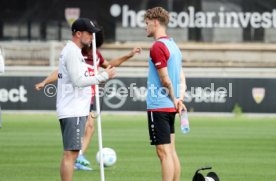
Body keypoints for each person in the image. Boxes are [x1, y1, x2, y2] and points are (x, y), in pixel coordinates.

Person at [35, 22, 141, 171]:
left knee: (90, 127)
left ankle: (79, 155)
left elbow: (110, 65)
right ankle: (76, 156)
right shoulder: (77, 53)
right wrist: (45, 82)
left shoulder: (96, 55)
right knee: (85, 128)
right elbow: (60, 72)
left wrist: (128, 55)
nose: (91, 42)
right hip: (77, 98)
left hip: (89, 96)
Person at [55, 17, 116, 181]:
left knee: (71, 153)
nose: (92, 37)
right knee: (71, 154)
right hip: (72, 109)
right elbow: (78, 81)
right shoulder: (72, 51)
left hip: (74, 108)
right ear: (78, 33)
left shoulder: (73, 51)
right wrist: (103, 76)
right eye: (89, 33)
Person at [144, 7, 187, 181]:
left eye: (147, 24)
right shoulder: (174, 45)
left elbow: (165, 80)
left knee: (163, 153)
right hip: (170, 106)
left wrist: (175, 98)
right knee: (171, 152)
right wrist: (179, 99)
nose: (145, 28)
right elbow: (182, 78)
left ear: (155, 23)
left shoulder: (157, 47)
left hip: (159, 105)